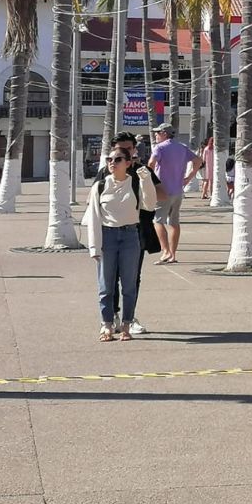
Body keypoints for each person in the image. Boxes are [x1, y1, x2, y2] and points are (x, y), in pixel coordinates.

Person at [94, 131, 167, 336]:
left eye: (127, 149)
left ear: (134, 150)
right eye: (118, 150)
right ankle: (112, 316)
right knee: (109, 278)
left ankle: (130, 318)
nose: (122, 154)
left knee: (132, 277)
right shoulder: (105, 173)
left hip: (137, 230)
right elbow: (95, 203)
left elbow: (162, 194)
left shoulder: (142, 171)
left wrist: (145, 186)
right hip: (110, 232)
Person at [82, 145, 158, 342]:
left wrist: (146, 180)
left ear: (128, 163)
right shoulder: (100, 186)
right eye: (109, 159)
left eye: (117, 160)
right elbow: (94, 217)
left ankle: (126, 325)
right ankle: (106, 325)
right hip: (107, 236)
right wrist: (94, 247)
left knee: (129, 285)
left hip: (130, 236)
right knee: (105, 286)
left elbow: (149, 205)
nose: (112, 163)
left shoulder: (135, 183)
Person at [147, 123, 202, 264]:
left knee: (157, 220)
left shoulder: (159, 148)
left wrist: (149, 180)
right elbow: (198, 160)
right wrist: (190, 177)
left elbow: (151, 163)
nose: (155, 135)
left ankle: (165, 251)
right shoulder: (182, 147)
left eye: (158, 133)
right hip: (178, 191)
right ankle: (172, 254)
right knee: (174, 222)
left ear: (165, 133)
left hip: (163, 190)